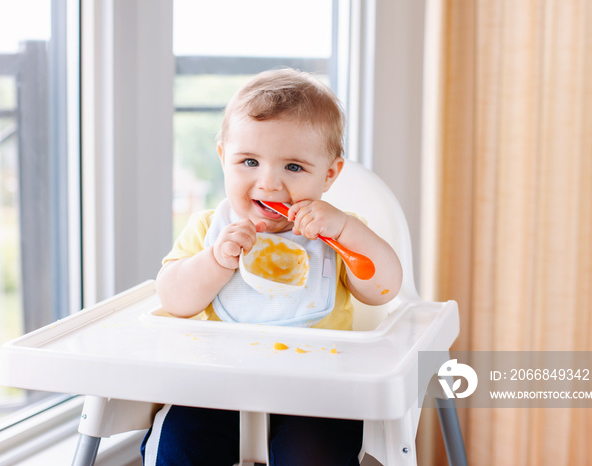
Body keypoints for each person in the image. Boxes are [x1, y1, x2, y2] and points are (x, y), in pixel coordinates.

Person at [141, 68, 403, 465]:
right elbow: (172, 299)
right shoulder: (211, 229)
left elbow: (383, 288)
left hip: (317, 394)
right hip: (214, 387)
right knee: (179, 448)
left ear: (330, 174)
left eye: (293, 168)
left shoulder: (337, 235)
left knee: (314, 454)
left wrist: (346, 230)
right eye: (249, 161)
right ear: (222, 157)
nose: (268, 183)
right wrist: (215, 261)